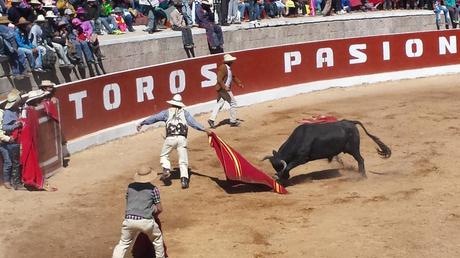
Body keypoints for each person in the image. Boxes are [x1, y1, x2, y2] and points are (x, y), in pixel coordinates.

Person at [136, 94, 211, 189]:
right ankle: (184, 180)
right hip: (182, 139)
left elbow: (154, 118)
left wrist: (142, 123)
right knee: (183, 161)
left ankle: (166, 169)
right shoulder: (185, 113)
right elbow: (194, 123)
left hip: (170, 139)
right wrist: (205, 129)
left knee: (164, 155)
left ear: (172, 103)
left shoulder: (166, 113)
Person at [112, 166, 165, 258]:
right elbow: (159, 208)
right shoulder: (153, 189)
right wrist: (154, 214)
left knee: (123, 243)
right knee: (157, 239)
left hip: (129, 220)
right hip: (146, 221)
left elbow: (129, 201)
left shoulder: (130, 187)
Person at [208, 54, 244, 128]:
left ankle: (211, 119)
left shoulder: (228, 68)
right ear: (229, 61)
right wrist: (224, 87)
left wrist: (239, 83)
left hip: (222, 89)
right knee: (233, 103)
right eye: (231, 61)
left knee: (219, 104)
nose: (233, 62)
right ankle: (233, 121)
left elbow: (232, 77)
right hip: (224, 89)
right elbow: (219, 79)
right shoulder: (223, 67)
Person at [2, 89, 26, 190]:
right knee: (14, 162)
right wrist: (16, 125)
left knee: (14, 162)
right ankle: (15, 183)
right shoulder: (8, 113)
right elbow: (5, 127)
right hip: (11, 140)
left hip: (15, 140)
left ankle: (14, 181)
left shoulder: (15, 110)